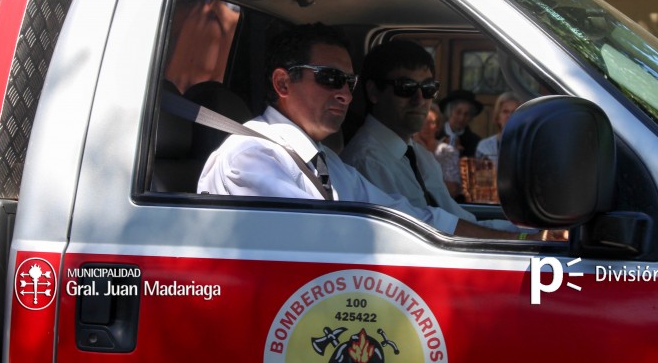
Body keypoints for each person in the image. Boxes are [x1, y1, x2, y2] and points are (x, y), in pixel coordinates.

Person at [197, 23, 529, 240]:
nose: (344, 93)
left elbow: (407, 214)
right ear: (283, 82)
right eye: (330, 78)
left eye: (348, 82)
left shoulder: (326, 161)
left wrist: (520, 240)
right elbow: (323, 238)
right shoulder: (251, 156)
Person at [342, 41, 519, 231]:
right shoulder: (367, 163)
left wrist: (528, 234)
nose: (419, 100)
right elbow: (420, 238)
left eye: (428, 88)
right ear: (374, 91)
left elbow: (462, 221)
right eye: (406, 87)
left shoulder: (419, 155)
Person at [414, 106, 462, 198]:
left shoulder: (447, 151)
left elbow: (452, 188)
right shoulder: (409, 148)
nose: (426, 126)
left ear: (437, 126)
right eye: (423, 121)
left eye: (431, 122)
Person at [475, 91, 523, 167]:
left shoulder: (527, 144)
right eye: (505, 111)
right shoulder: (485, 146)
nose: (510, 116)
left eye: (514, 112)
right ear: (497, 117)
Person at [438, 89, 483, 157]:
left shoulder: (475, 142)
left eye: (466, 114)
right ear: (449, 112)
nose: (462, 118)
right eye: (458, 112)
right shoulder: (435, 134)